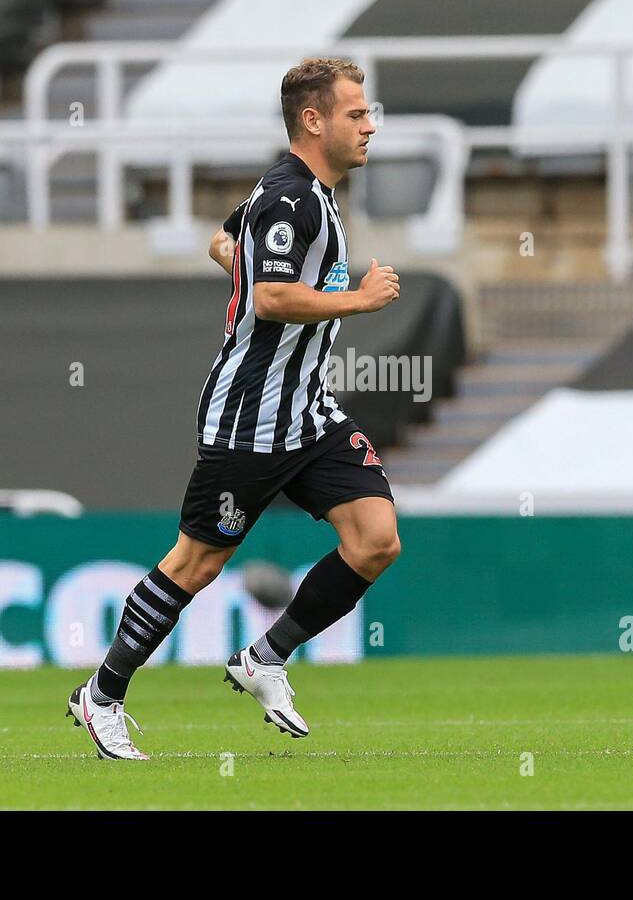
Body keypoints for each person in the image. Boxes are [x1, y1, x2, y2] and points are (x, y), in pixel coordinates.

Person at [66, 58, 401, 759]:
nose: (370, 126)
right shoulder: (293, 199)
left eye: (368, 113)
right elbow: (273, 296)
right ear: (314, 121)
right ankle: (102, 695)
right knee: (196, 564)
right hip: (251, 417)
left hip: (306, 412)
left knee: (375, 538)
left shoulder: (304, 193)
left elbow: (224, 241)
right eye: (355, 114)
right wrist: (358, 300)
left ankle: (265, 658)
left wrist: (250, 269)